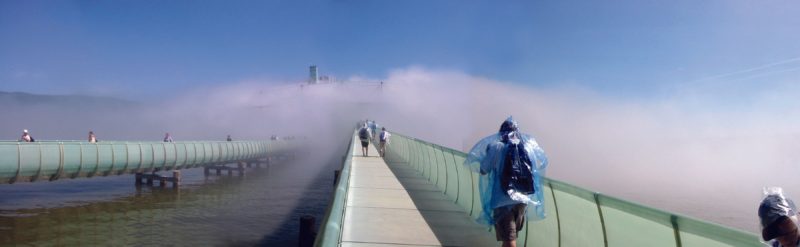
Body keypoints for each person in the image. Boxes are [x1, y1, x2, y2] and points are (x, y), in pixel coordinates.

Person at [464, 117, 548, 247]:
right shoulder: (527, 147)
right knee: (509, 238)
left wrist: (488, 153)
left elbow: (483, 170)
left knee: (509, 240)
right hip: (523, 200)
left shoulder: (496, 147)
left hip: (502, 200)